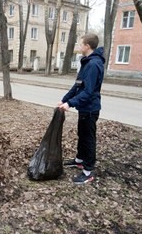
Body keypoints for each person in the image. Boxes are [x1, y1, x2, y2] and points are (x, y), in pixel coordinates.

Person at [58, 33, 105, 185]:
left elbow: (88, 91)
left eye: (80, 44)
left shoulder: (93, 64)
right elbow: (77, 86)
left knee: (88, 138)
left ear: (87, 46)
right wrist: (64, 100)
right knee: (82, 134)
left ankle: (88, 171)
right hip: (84, 108)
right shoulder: (87, 63)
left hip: (90, 109)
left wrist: (70, 104)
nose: (79, 47)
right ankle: (79, 160)